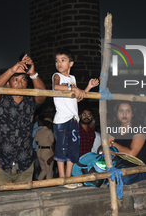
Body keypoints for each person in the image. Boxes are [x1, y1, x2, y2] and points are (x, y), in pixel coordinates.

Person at [0, 54, 46, 184]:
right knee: (2, 201)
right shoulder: (1, 100)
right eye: (15, 80)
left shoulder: (30, 101)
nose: (20, 83)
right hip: (2, 164)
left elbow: (42, 95)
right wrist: (12, 70)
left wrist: (33, 74)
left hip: (25, 164)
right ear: (8, 84)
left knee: (24, 201)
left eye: (23, 80)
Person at [52, 48, 99, 188]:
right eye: (57, 60)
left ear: (71, 63)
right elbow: (55, 86)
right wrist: (74, 89)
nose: (59, 63)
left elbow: (77, 98)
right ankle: (62, 179)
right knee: (62, 149)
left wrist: (88, 87)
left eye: (63, 60)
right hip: (61, 120)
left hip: (73, 119)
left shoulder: (72, 79)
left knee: (73, 149)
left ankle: (69, 178)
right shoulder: (57, 76)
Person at [107, 101, 146, 184]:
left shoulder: (140, 128)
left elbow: (131, 154)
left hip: (139, 165)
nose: (124, 114)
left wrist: (113, 144)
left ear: (133, 114)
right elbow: (106, 148)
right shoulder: (113, 128)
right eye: (121, 111)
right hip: (120, 164)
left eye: (128, 111)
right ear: (116, 114)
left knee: (124, 178)